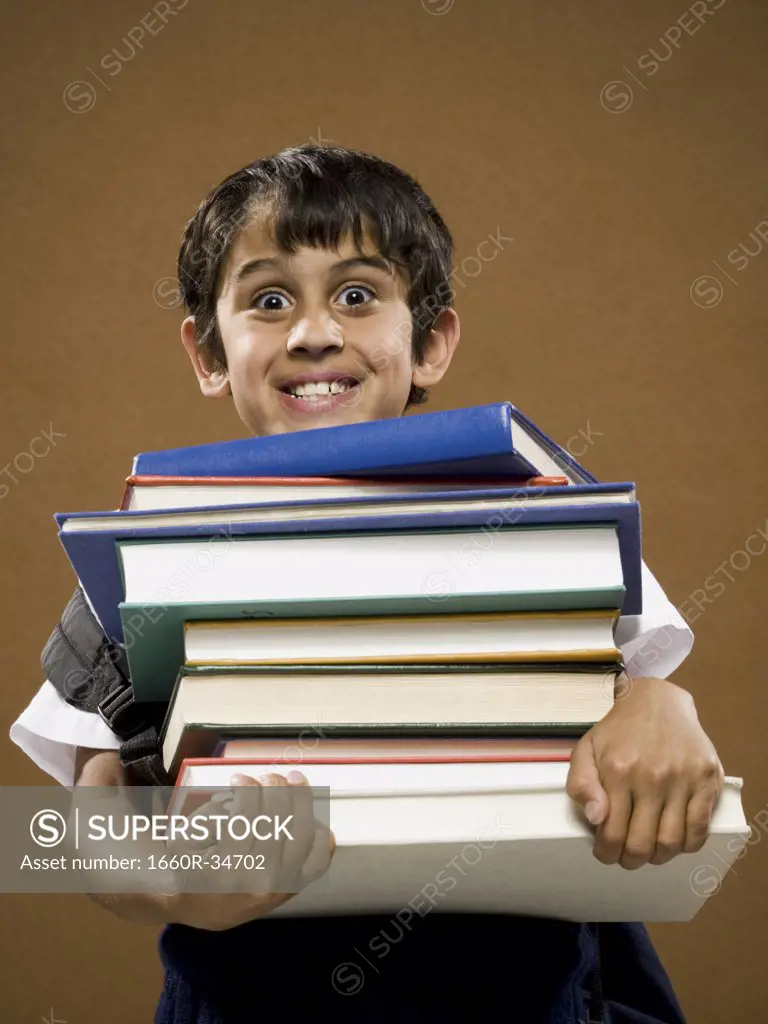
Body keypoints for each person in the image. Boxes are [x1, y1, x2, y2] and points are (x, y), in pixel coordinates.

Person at [10, 145, 724, 1023]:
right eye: (269, 301)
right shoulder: (138, 566)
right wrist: (170, 885)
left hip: (522, 996)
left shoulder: (547, 528)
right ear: (206, 351)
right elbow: (82, 839)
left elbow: (645, 689)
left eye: (357, 295)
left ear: (428, 342)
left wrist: (662, 703)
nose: (314, 333)